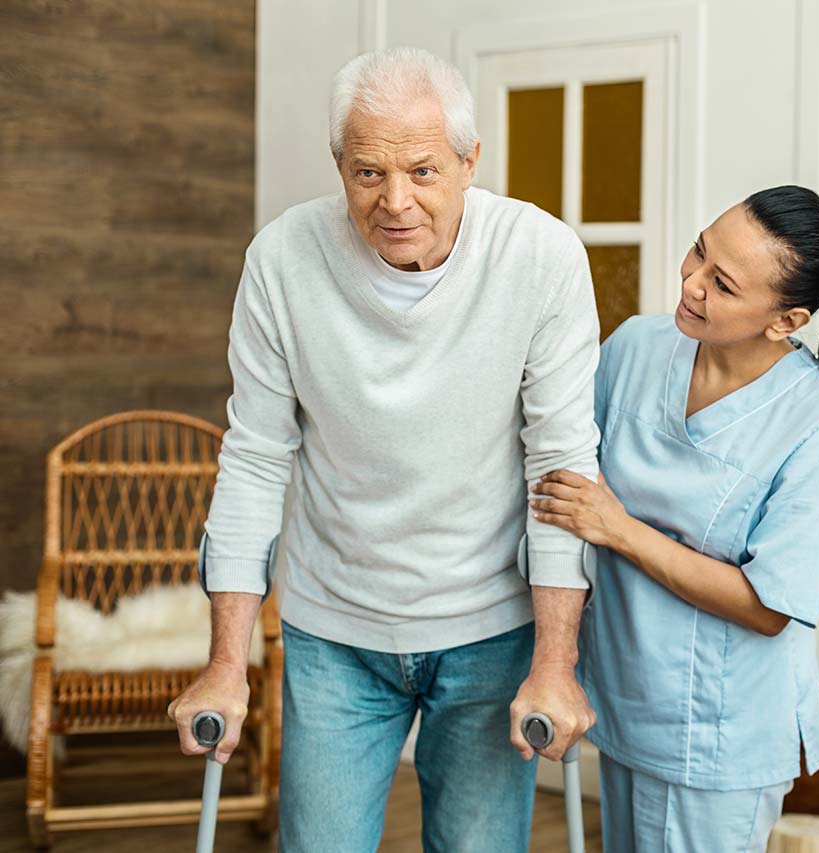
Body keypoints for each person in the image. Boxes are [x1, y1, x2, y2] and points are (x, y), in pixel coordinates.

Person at [166, 47, 599, 853]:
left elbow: (559, 467)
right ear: (339, 163)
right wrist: (226, 660)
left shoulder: (540, 258)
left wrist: (555, 659)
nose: (395, 201)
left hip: (488, 626)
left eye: (424, 172)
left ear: (472, 162)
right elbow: (256, 457)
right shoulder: (282, 261)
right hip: (336, 625)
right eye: (367, 173)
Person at [529, 186, 819, 851]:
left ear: (785, 320)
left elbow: (768, 606)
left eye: (722, 284)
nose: (691, 282)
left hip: (721, 733)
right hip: (622, 695)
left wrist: (618, 527)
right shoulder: (638, 347)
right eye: (698, 250)